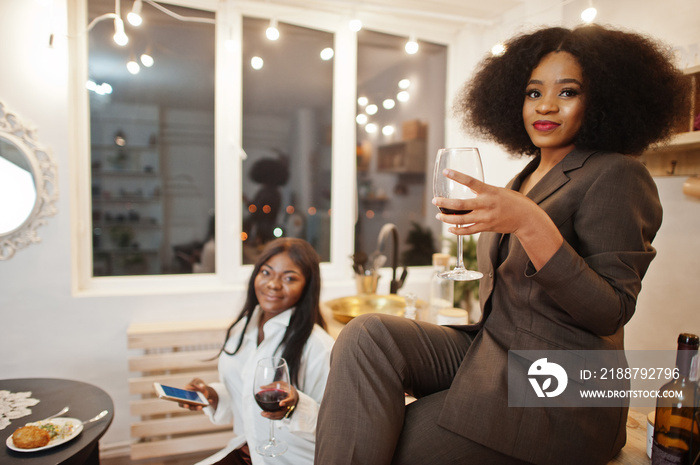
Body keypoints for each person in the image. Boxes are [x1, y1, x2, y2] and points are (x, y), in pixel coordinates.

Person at [315, 24, 689, 465]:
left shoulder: (617, 174)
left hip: (559, 391)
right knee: (366, 335)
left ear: (603, 99)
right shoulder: (525, 177)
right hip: (490, 352)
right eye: (533, 93)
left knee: (393, 443)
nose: (545, 105)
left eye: (567, 92)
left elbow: (610, 310)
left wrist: (531, 224)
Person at [182, 238, 334, 465]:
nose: (273, 284)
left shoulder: (318, 346)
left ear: (307, 287)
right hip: (250, 450)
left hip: (293, 459)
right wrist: (212, 396)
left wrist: (295, 406)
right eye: (266, 272)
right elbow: (243, 389)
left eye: (289, 278)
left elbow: (335, 424)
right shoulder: (243, 328)